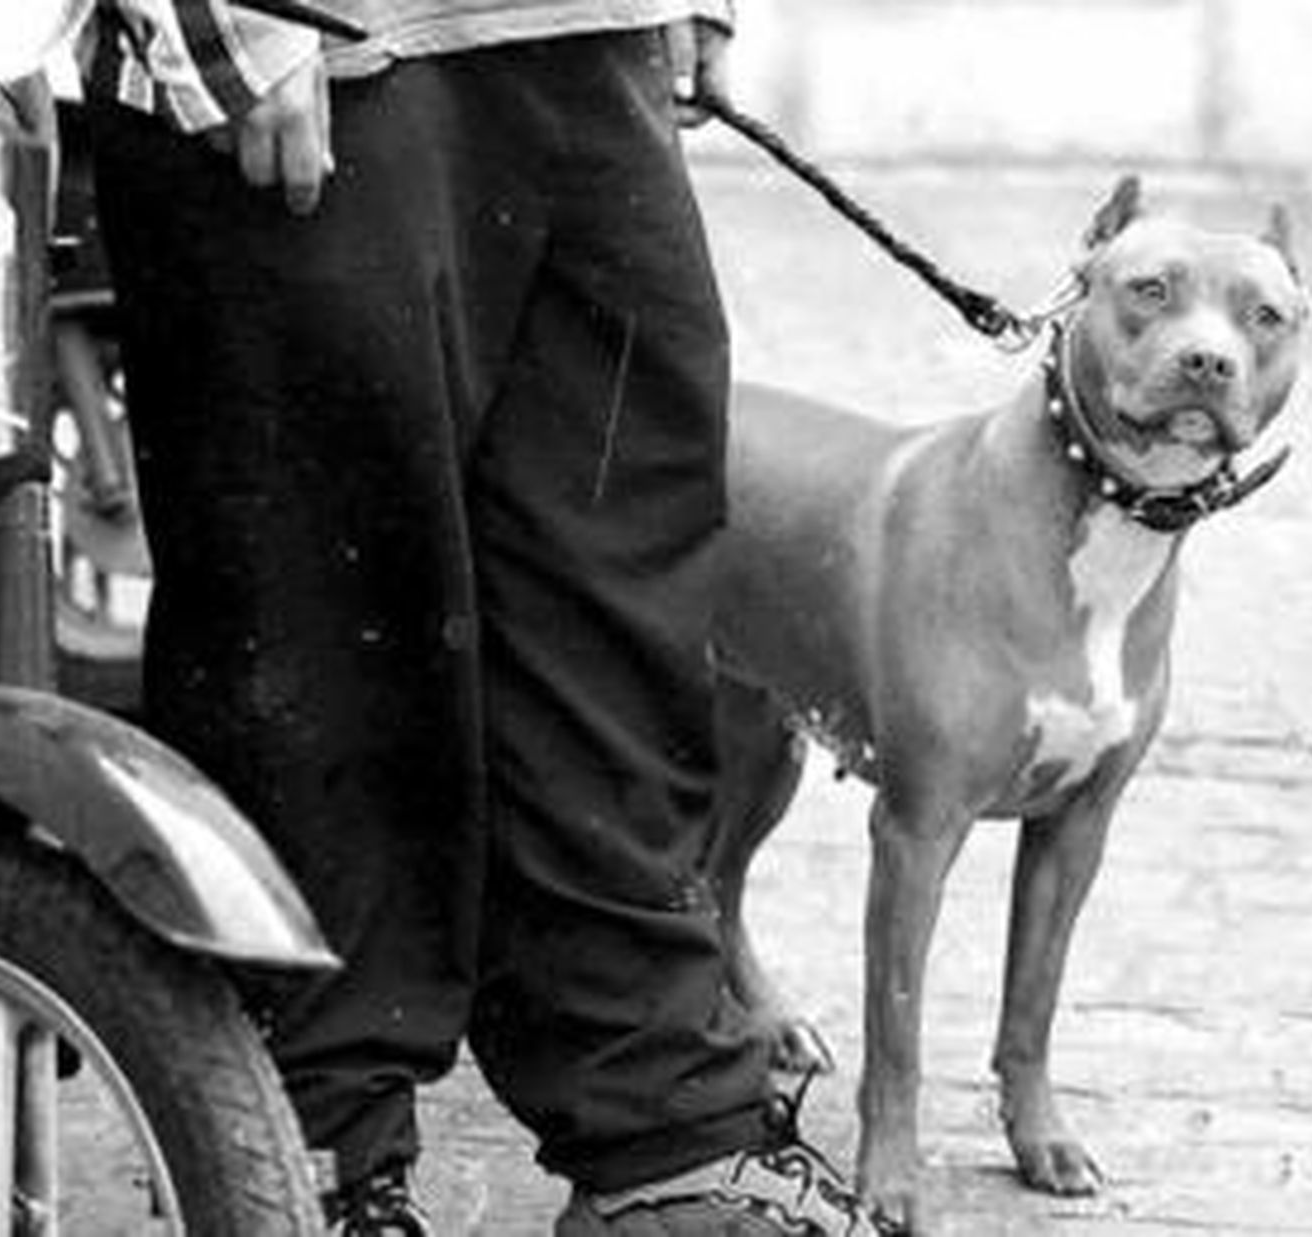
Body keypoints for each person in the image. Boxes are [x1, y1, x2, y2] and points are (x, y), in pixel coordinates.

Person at [79, 2, 898, 1232]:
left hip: (576, 27)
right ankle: (314, 1152)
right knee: (324, 611)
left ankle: (662, 1137)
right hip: (317, 36)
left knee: (617, 591)